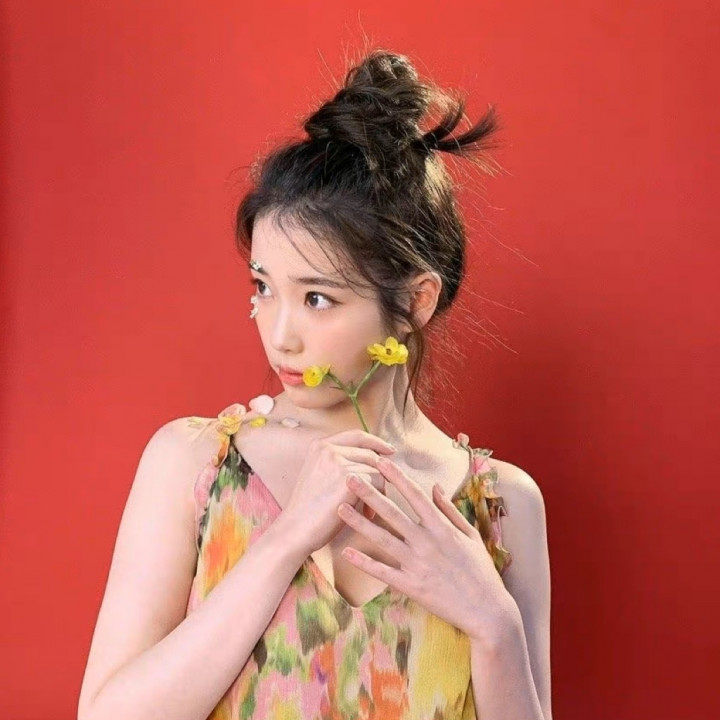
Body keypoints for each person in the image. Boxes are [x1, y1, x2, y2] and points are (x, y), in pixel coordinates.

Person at [77, 49, 552, 720]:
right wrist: (286, 537)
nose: (280, 335)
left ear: (415, 301)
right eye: (264, 287)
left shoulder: (500, 505)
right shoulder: (198, 465)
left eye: (318, 299)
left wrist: (494, 625)